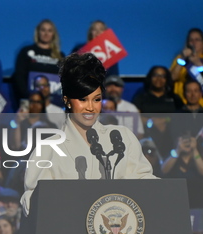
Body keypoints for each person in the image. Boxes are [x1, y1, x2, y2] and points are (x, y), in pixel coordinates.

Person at [21, 53, 156, 215]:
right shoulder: (48, 149)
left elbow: (146, 183)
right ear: (66, 100)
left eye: (97, 99)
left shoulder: (122, 138)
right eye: (83, 100)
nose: (91, 108)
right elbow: (32, 200)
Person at [170, 28, 203, 114]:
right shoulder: (180, 59)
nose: (193, 43)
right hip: (183, 107)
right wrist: (183, 58)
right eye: (191, 40)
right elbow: (172, 77)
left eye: (197, 40)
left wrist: (198, 63)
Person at [13, 19, 65, 101]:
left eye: (49, 30)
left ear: (53, 34)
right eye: (43, 30)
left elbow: (64, 80)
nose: (46, 33)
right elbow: (19, 76)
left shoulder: (60, 56)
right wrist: (27, 96)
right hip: (30, 101)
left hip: (54, 102)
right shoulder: (26, 51)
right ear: (38, 32)